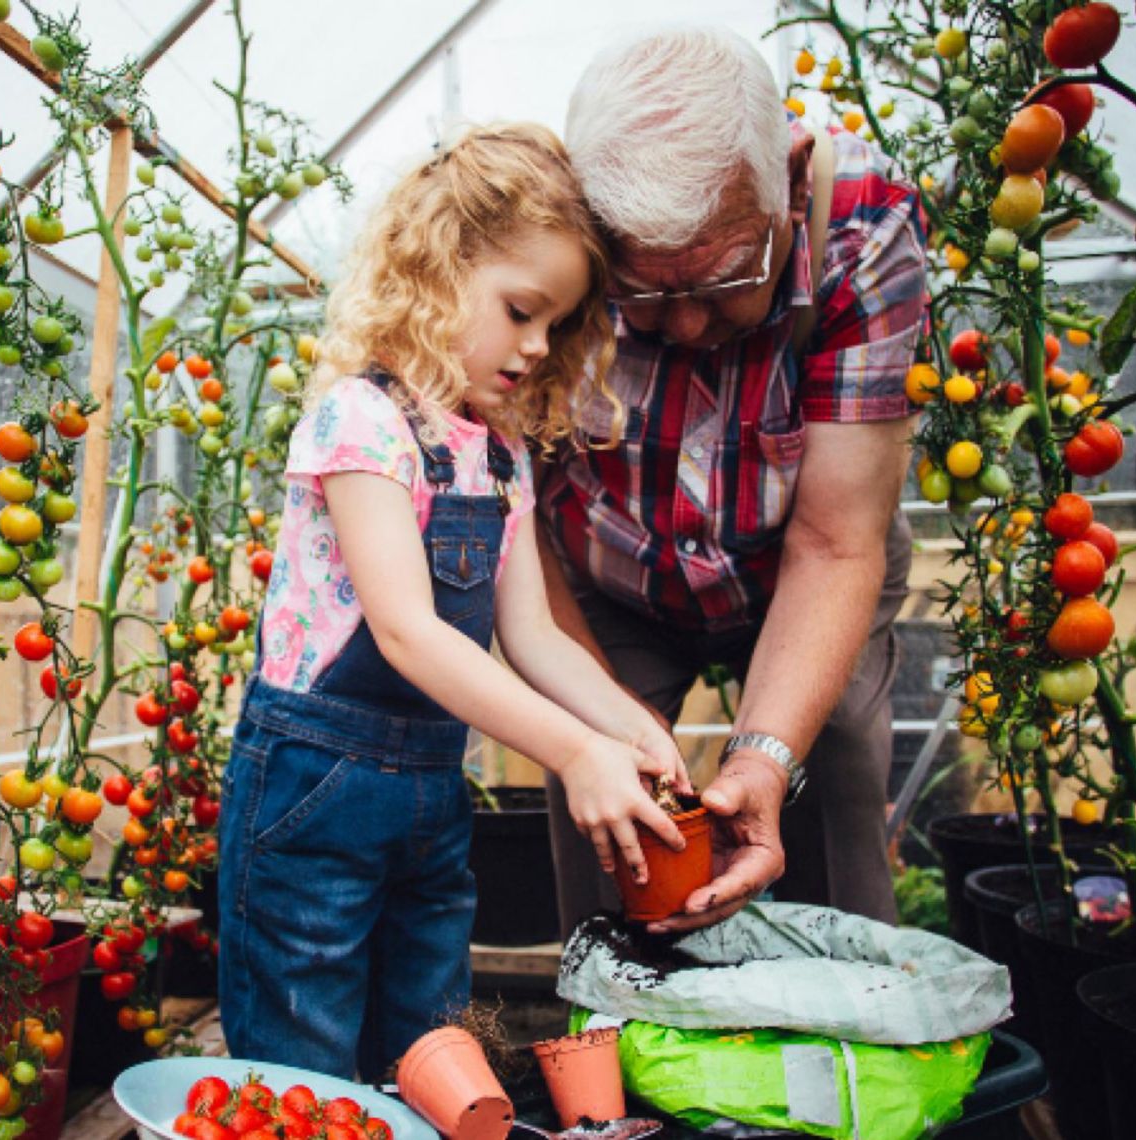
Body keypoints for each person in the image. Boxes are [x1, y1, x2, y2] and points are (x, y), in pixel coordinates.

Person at [217, 123, 694, 1079]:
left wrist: (631, 729)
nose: (535, 346)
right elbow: (404, 632)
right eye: (521, 310)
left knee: (432, 1047)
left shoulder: (499, 452)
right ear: (439, 269)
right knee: (302, 1059)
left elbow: (534, 636)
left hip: (430, 796)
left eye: (555, 326)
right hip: (316, 791)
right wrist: (572, 751)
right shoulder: (364, 419)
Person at [537, 27, 927, 935]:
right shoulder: (543, 233)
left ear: (789, 179)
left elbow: (837, 543)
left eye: (721, 279)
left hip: (801, 556)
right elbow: (516, 526)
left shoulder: (867, 228)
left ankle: (838, 1025)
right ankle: (615, 1034)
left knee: (834, 765)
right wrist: (602, 727)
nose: (684, 325)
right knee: (606, 804)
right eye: (643, 291)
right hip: (611, 571)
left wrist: (760, 756)